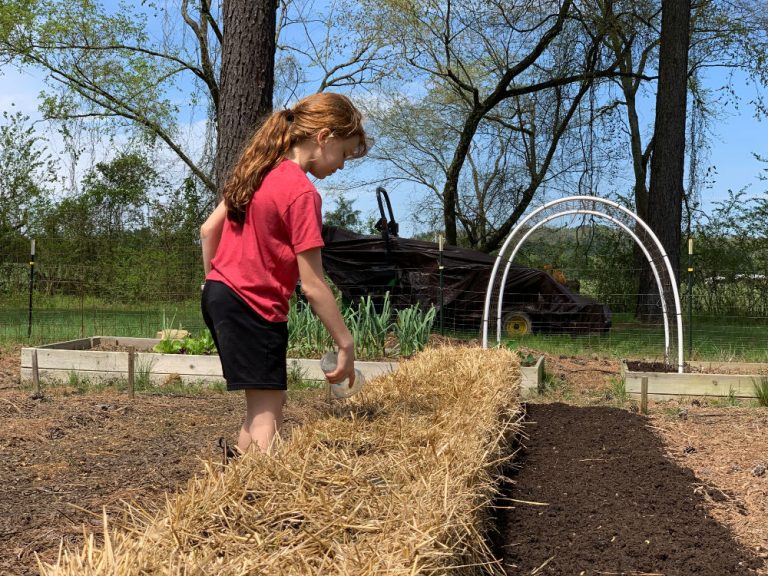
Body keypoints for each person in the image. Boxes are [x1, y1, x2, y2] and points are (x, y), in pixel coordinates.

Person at [200, 92, 369, 455]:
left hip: (220, 295)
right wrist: (346, 343)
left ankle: (233, 487)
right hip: (254, 305)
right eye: (344, 154)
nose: (341, 165)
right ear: (325, 137)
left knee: (258, 409)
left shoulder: (257, 170)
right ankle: (259, 502)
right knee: (268, 418)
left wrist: (216, 283)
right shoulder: (302, 193)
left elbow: (207, 231)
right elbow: (312, 284)